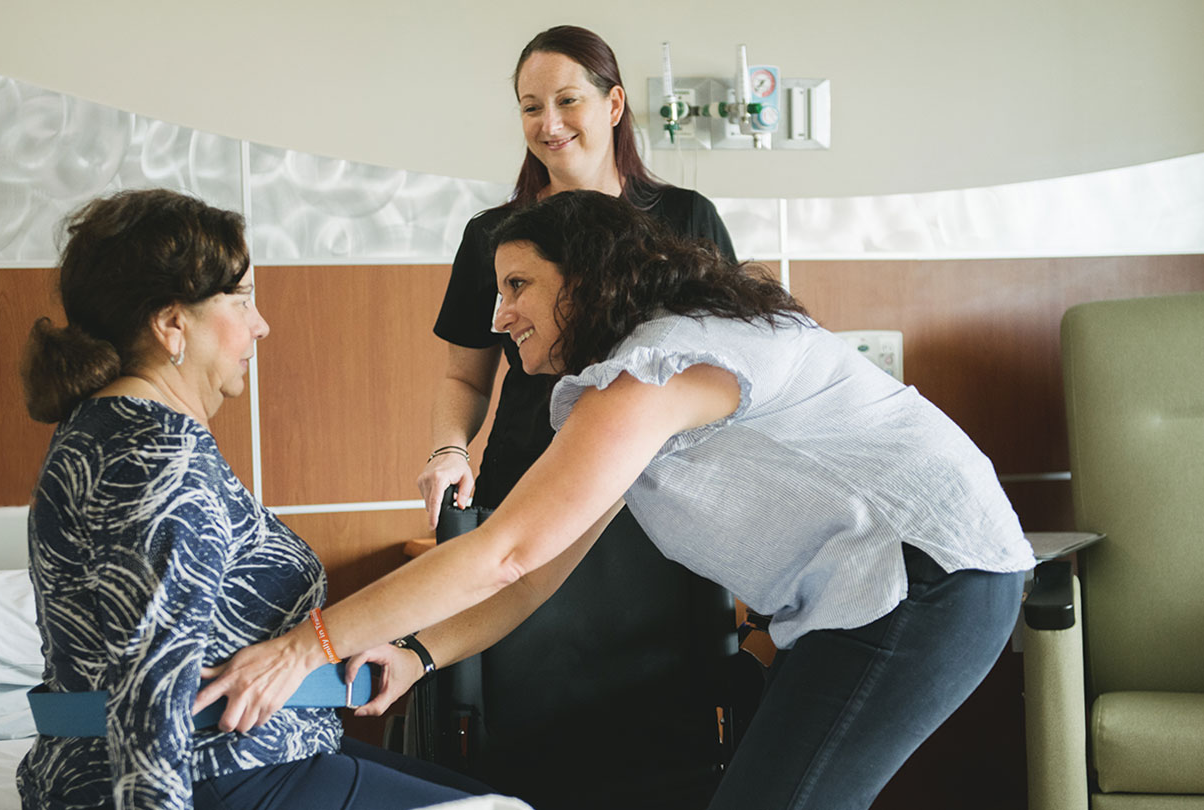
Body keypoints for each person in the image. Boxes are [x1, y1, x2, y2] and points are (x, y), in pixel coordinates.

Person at [196, 190, 1038, 810]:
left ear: (587, 278)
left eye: (518, 285)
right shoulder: (622, 384)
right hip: (888, 593)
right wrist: (418, 655)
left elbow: (505, 552)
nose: (500, 315)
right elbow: (535, 572)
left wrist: (304, 647)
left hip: (928, 579)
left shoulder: (663, 364)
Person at [15, 189, 483, 810]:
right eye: (240, 299)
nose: (260, 324)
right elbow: (150, 699)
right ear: (172, 323)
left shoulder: (114, 430)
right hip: (218, 772)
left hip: (247, 758)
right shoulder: (157, 460)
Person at [416, 25, 742, 808]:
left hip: (659, 501)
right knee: (531, 722)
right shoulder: (495, 237)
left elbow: (731, 361)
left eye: (567, 100)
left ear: (614, 103)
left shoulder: (684, 218)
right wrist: (447, 450)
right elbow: (464, 373)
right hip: (531, 488)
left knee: (659, 726)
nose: (549, 123)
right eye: (531, 107)